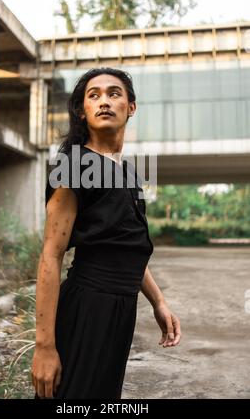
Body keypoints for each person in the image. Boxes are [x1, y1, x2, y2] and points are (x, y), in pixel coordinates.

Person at [31, 67, 181, 399]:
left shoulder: (129, 172)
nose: (104, 102)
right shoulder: (73, 165)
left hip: (122, 309)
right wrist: (44, 346)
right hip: (88, 305)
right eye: (93, 95)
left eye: (114, 94)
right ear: (82, 110)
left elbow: (127, 247)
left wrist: (159, 302)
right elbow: (51, 256)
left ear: (131, 107)